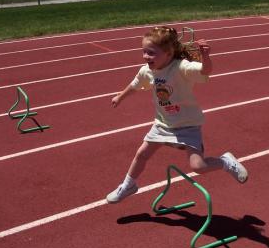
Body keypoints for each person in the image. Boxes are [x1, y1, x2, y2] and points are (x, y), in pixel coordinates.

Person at [106, 26, 248, 204]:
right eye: (144, 52)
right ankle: (128, 185)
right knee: (141, 153)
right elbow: (135, 84)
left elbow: (205, 71)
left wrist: (206, 56)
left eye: (151, 53)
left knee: (198, 166)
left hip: (187, 125)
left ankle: (226, 162)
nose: (145, 56)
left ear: (168, 53)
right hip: (163, 124)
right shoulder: (147, 71)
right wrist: (120, 96)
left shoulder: (181, 68)